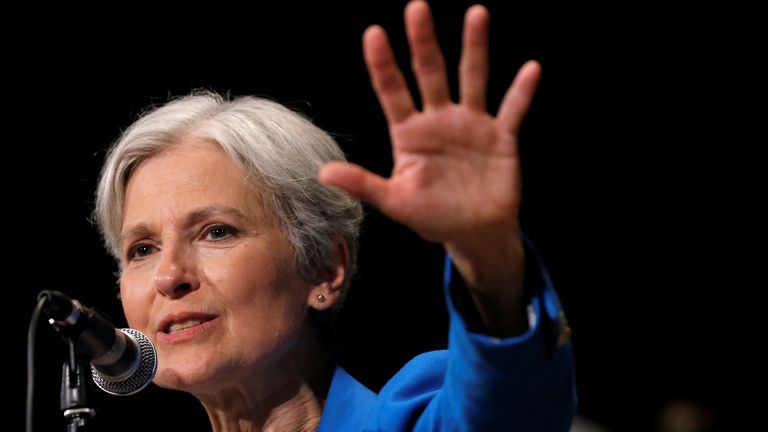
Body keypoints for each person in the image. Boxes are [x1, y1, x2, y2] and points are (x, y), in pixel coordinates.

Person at [93, 1, 576, 430]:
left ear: (325, 268)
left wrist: (484, 251)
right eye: (143, 249)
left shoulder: (413, 419)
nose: (169, 275)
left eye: (217, 232)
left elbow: (511, 409)